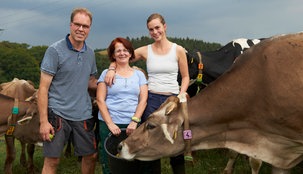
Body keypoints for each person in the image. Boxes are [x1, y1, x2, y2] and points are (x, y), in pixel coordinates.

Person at [105, 13, 190, 174]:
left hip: (172, 100)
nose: (155, 32)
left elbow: (185, 77)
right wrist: (111, 69)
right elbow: (122, 57)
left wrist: (182, 93)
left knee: (176, 142)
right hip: (151, 99)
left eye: (157, 27)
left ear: (165, 27)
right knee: (150, 142)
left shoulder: (178, 50)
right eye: (151, 30)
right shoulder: (146, 50)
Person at [38, 7, 98, 174]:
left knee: (91, 156)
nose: (81, 29)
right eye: (77, 24)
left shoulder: (90, 53)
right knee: (52, 160)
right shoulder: (55, 50)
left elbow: (90, 81)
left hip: (83, 114)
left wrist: (113, 81)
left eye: (85, 26)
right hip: (58, 113)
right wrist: (44, 122)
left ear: (89, 28)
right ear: (70, 25)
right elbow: (43, 88)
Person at [97, 37, 148, 174]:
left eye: (125, 50)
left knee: (133, 158)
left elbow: (143, 100)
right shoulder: (105, 74)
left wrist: (134, 121)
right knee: (109, 158)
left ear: (130, 53)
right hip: (109, 122)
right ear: (113, 55)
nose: (122, 53)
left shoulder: (139, 75)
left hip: (132, 124)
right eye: (118, 51)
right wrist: (110, 124)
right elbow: (100, 100)